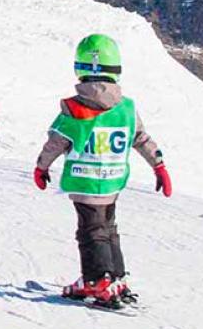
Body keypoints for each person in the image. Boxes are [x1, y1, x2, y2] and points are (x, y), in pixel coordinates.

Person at [34, 34, 171, 309]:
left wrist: (41, 166)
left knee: (91, 231)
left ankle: (97, 281)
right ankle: (115, 277)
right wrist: (159, 165)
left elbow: (56, 142)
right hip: (111, 181)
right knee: (108, 227)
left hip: (84, 183)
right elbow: (141, 139)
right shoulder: (126, 109)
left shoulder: (74, 109)